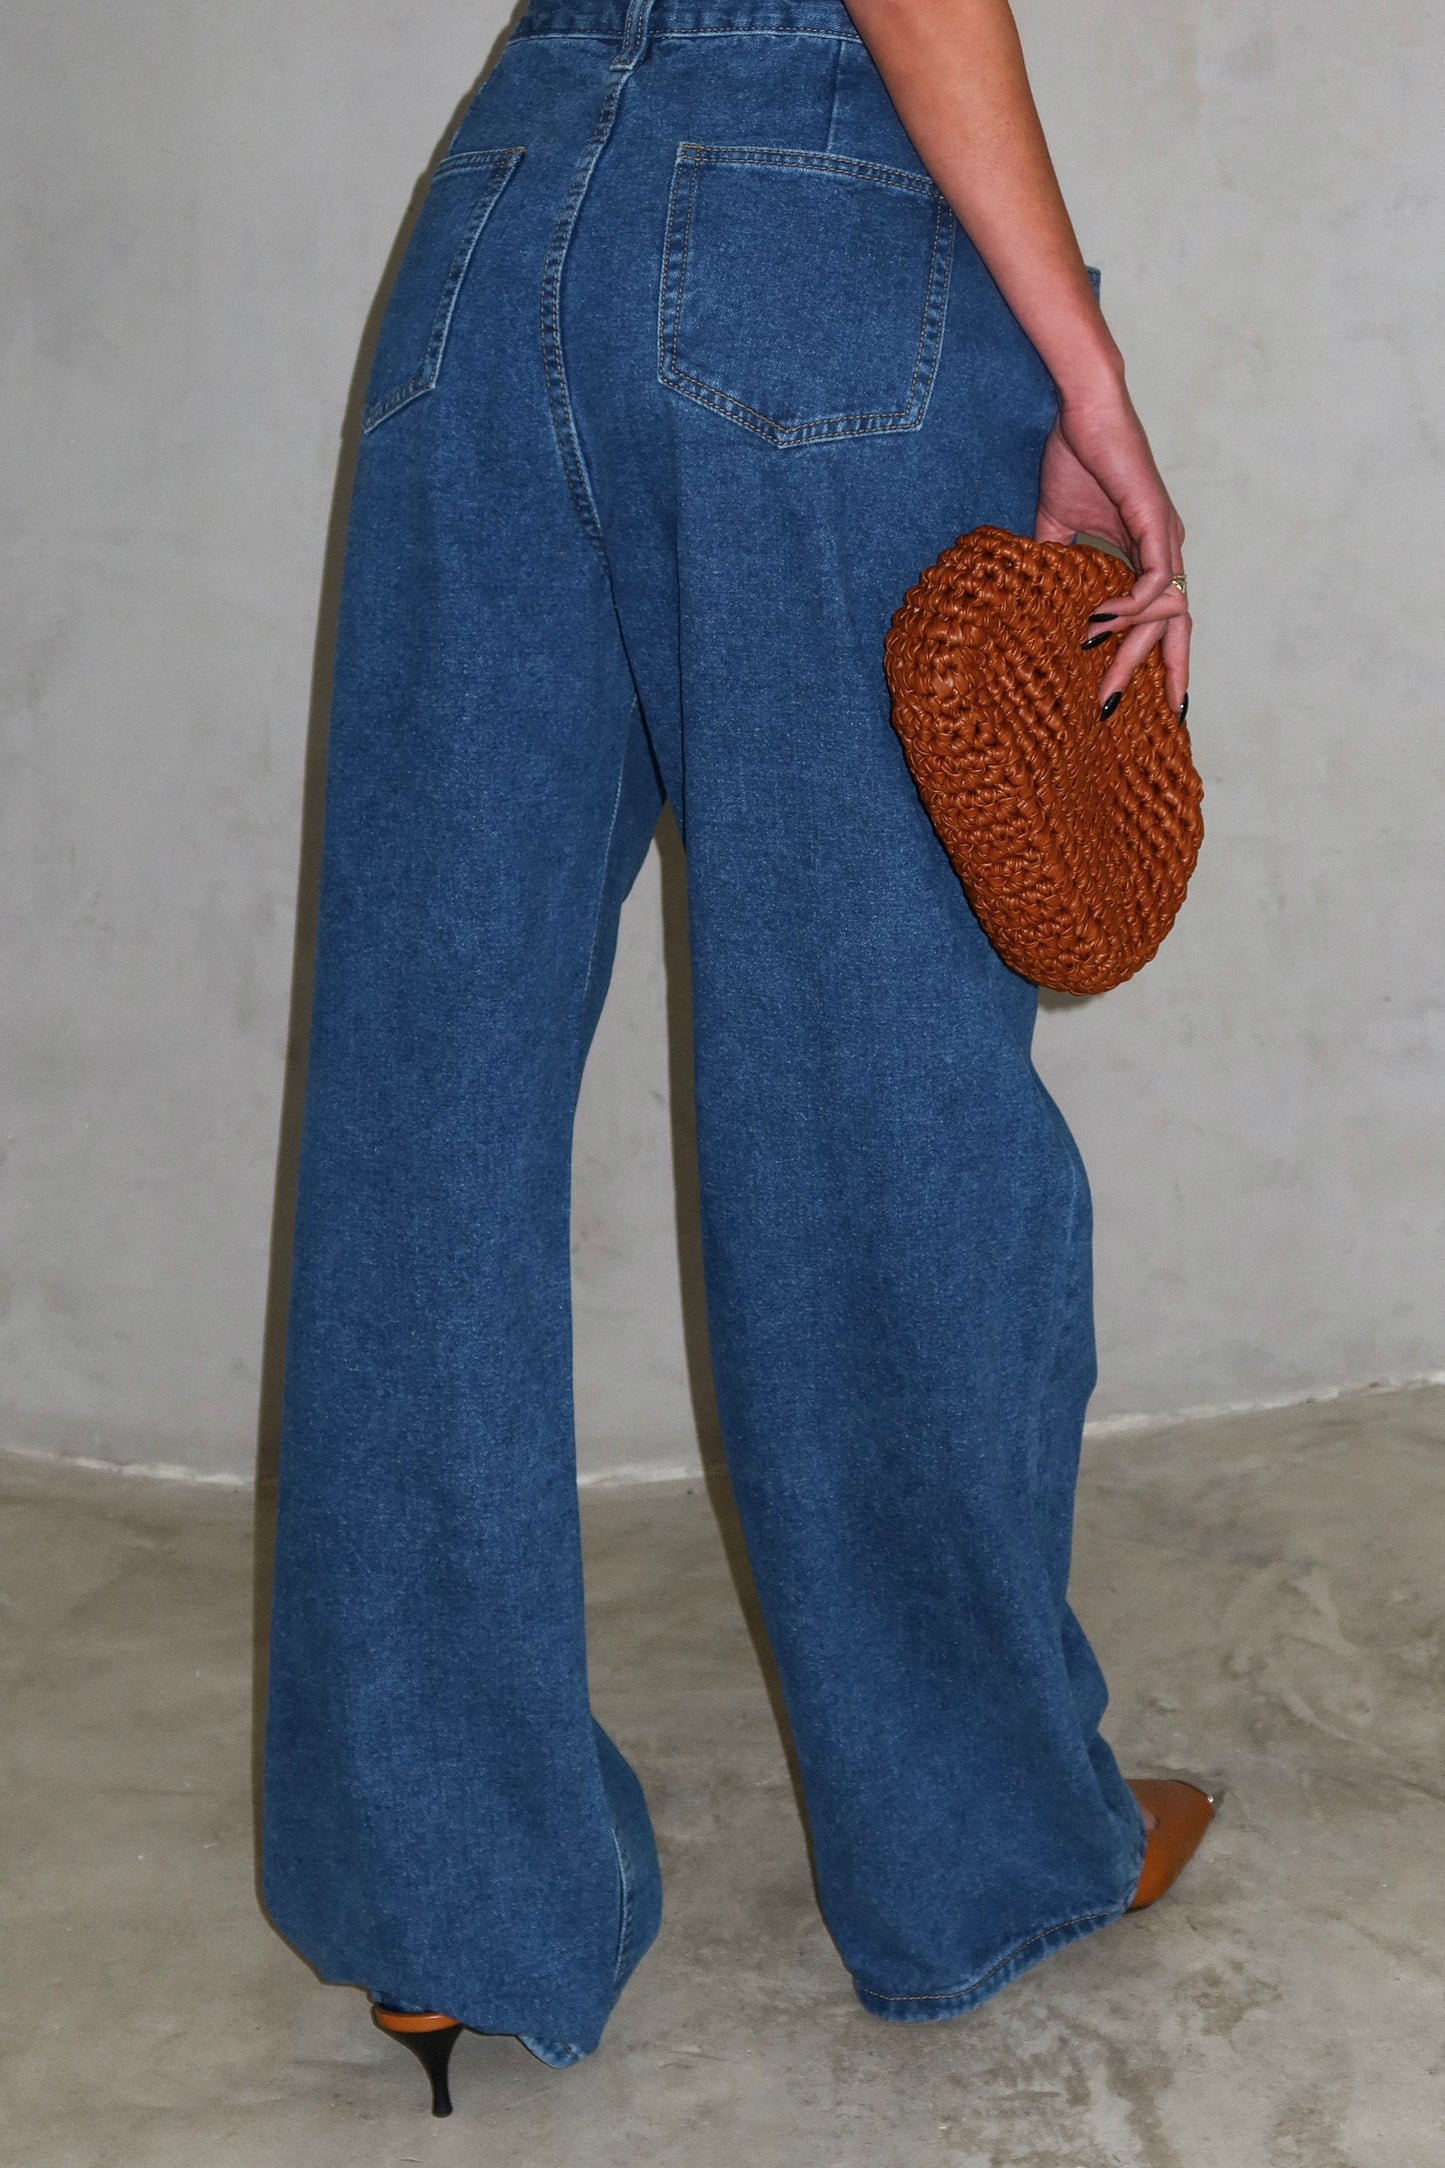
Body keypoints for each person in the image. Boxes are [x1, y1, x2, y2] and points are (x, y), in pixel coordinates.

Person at [261, 0, 1207, 2116]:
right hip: (811, 232)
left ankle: (441, 1897)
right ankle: (981, 1850)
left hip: (499, 214)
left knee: (426, 1104)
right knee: (875, 1102)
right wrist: (1085, 367)